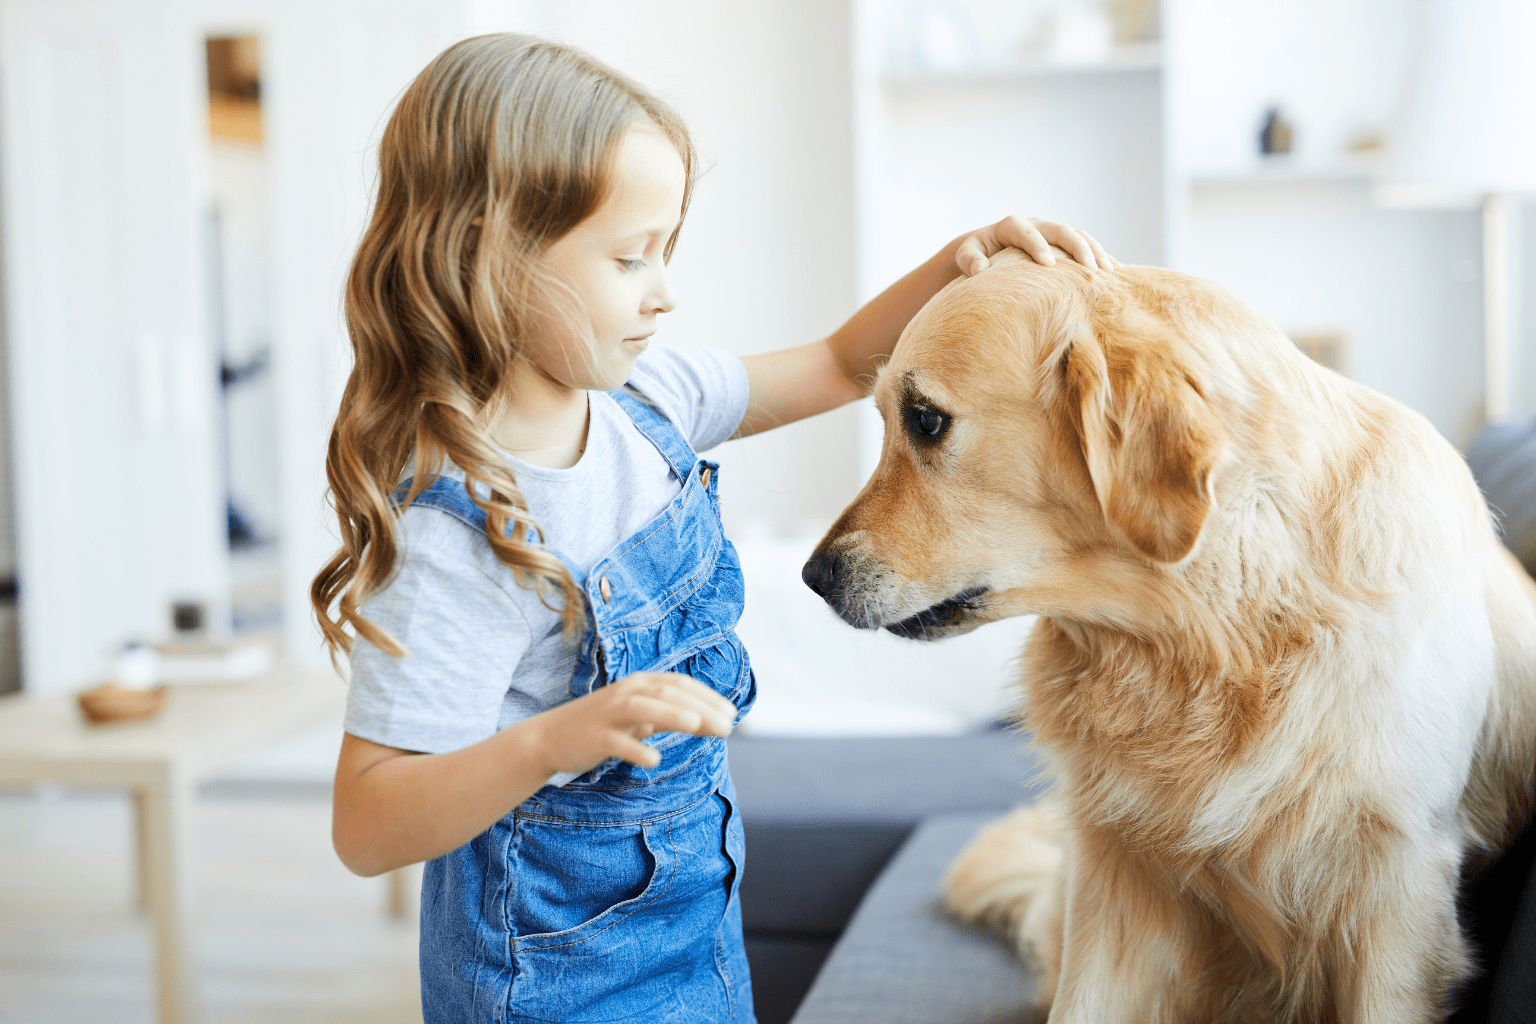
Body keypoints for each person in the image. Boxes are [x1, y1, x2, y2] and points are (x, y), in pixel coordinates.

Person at [313, 32, 1115, 1024]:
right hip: (550, 984)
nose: (664, 289)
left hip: (696, 934)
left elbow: (838, 359)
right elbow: (368, 820)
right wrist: (554, 740)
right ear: (493, 247)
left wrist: (964, 261)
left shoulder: (654, 400)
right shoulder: (457, 528)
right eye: (629, 256)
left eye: (667, 250)